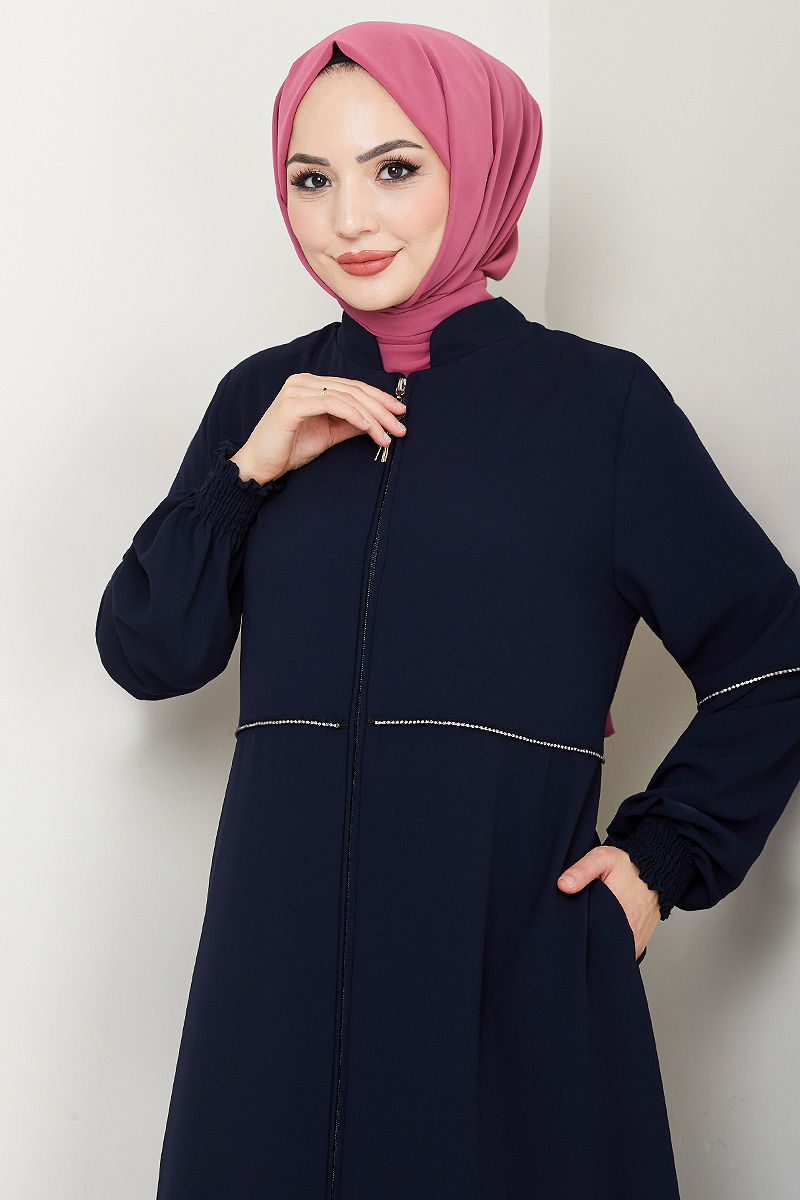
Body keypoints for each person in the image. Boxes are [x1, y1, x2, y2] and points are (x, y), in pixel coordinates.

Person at [95, 21, 800, 1200]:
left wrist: (656, 861)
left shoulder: (596, 407)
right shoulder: (261, 397)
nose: (347, 220)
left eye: (394, 168)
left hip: (505, 976)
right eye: (310, 180)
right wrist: (243, 474)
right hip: (274, 993)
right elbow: (150, 652)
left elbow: (770, 660)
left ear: (477, 168)